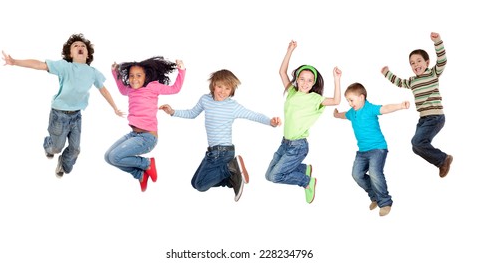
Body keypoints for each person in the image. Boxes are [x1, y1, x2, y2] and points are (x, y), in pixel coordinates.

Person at [1, 33, 123, 178]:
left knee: (75, 149)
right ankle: (48, 145)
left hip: (76, 116)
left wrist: (114, 107)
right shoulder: (65, 66)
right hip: (59, 114)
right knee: (56, 147)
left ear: (88, 53)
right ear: (70, 53)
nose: (80, 47)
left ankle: (63, 163)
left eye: (83, 46)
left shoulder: (93, 72)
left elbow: (103, 90)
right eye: (75, 46)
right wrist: (15, 61)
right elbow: (40, 64)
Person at [159, 69, 281, 202]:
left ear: (232, 90)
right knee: (195, 183)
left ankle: (231, 167)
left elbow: (254, 115)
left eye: (227, 88)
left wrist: (271, 122)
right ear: (213, 85)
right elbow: (191, 114)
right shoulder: (205, 100)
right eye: (220, 86)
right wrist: (172, 111)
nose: (222, 91)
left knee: (201, 185)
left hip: (223, 152)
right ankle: (231, 179)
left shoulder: (232, 106)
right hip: (212, 152)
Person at [265, 40, 342, 204]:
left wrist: (336, 79)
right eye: (302, 79)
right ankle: (304, 169)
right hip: (285, 143)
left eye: (309, 80)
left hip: (298, 146)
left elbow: (336, 101)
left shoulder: (315, 99)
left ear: (314, 83)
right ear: (297, 80)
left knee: (275, 176)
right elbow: (281, 72)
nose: (305, 83)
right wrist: (290, 50)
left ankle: (307, 182)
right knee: (268, 175)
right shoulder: (292, 92)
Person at [104, 57, 186, 192]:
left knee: (115, 156)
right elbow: (121, 89)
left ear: (146, 76)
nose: (134, 79)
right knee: (108, 157)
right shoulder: (129, 89)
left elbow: (175, 89)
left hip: (147, 138)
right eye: (131, 76)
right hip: (133, 134)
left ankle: (147, 164)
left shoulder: (152, 87)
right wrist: (115, 72)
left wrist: (181, 70)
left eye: (138, 76)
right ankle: (139, 174)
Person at [381, 32, 453, 178]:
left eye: (419, 61)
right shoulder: (412, 81)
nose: (416, 65)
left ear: (427, 63)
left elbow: (442, 61)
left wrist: (437, 42)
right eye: (412, 63)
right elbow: (399, 82)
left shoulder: (433, 73)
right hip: (423, 119)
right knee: (416, 147)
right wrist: (387, 73)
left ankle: (443, 159)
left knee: (417, 142)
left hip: (435, 117)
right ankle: (441, 160)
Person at [334, 82, 410, 216]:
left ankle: (385, 202)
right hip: (362, 151)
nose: (350, 103)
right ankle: (374, 196)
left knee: (375, 173)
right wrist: (336, 114)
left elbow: (385, 108)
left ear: (361, 97)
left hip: (378, 148)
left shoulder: (370, 108)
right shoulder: (352, 113)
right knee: (356, 175)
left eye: (351, 100)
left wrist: (400, 106)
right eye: (348, 101)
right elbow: (344, 115)